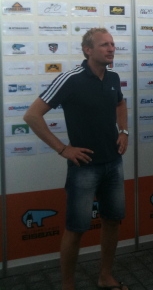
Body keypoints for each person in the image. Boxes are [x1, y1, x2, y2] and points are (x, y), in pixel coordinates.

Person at [23, 28, 129, 290]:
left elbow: (120, 103)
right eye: (104, 45)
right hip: (84, 168)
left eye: (112, 44)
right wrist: (63, 149)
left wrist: (124, 131)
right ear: (87, 50)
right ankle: (67, 286)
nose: (111, 48)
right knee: (76, 228)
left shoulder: (113, 77)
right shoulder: (70, 79)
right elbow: (32, 115)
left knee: (112, 222)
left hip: (113, 163)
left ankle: (105, 277)